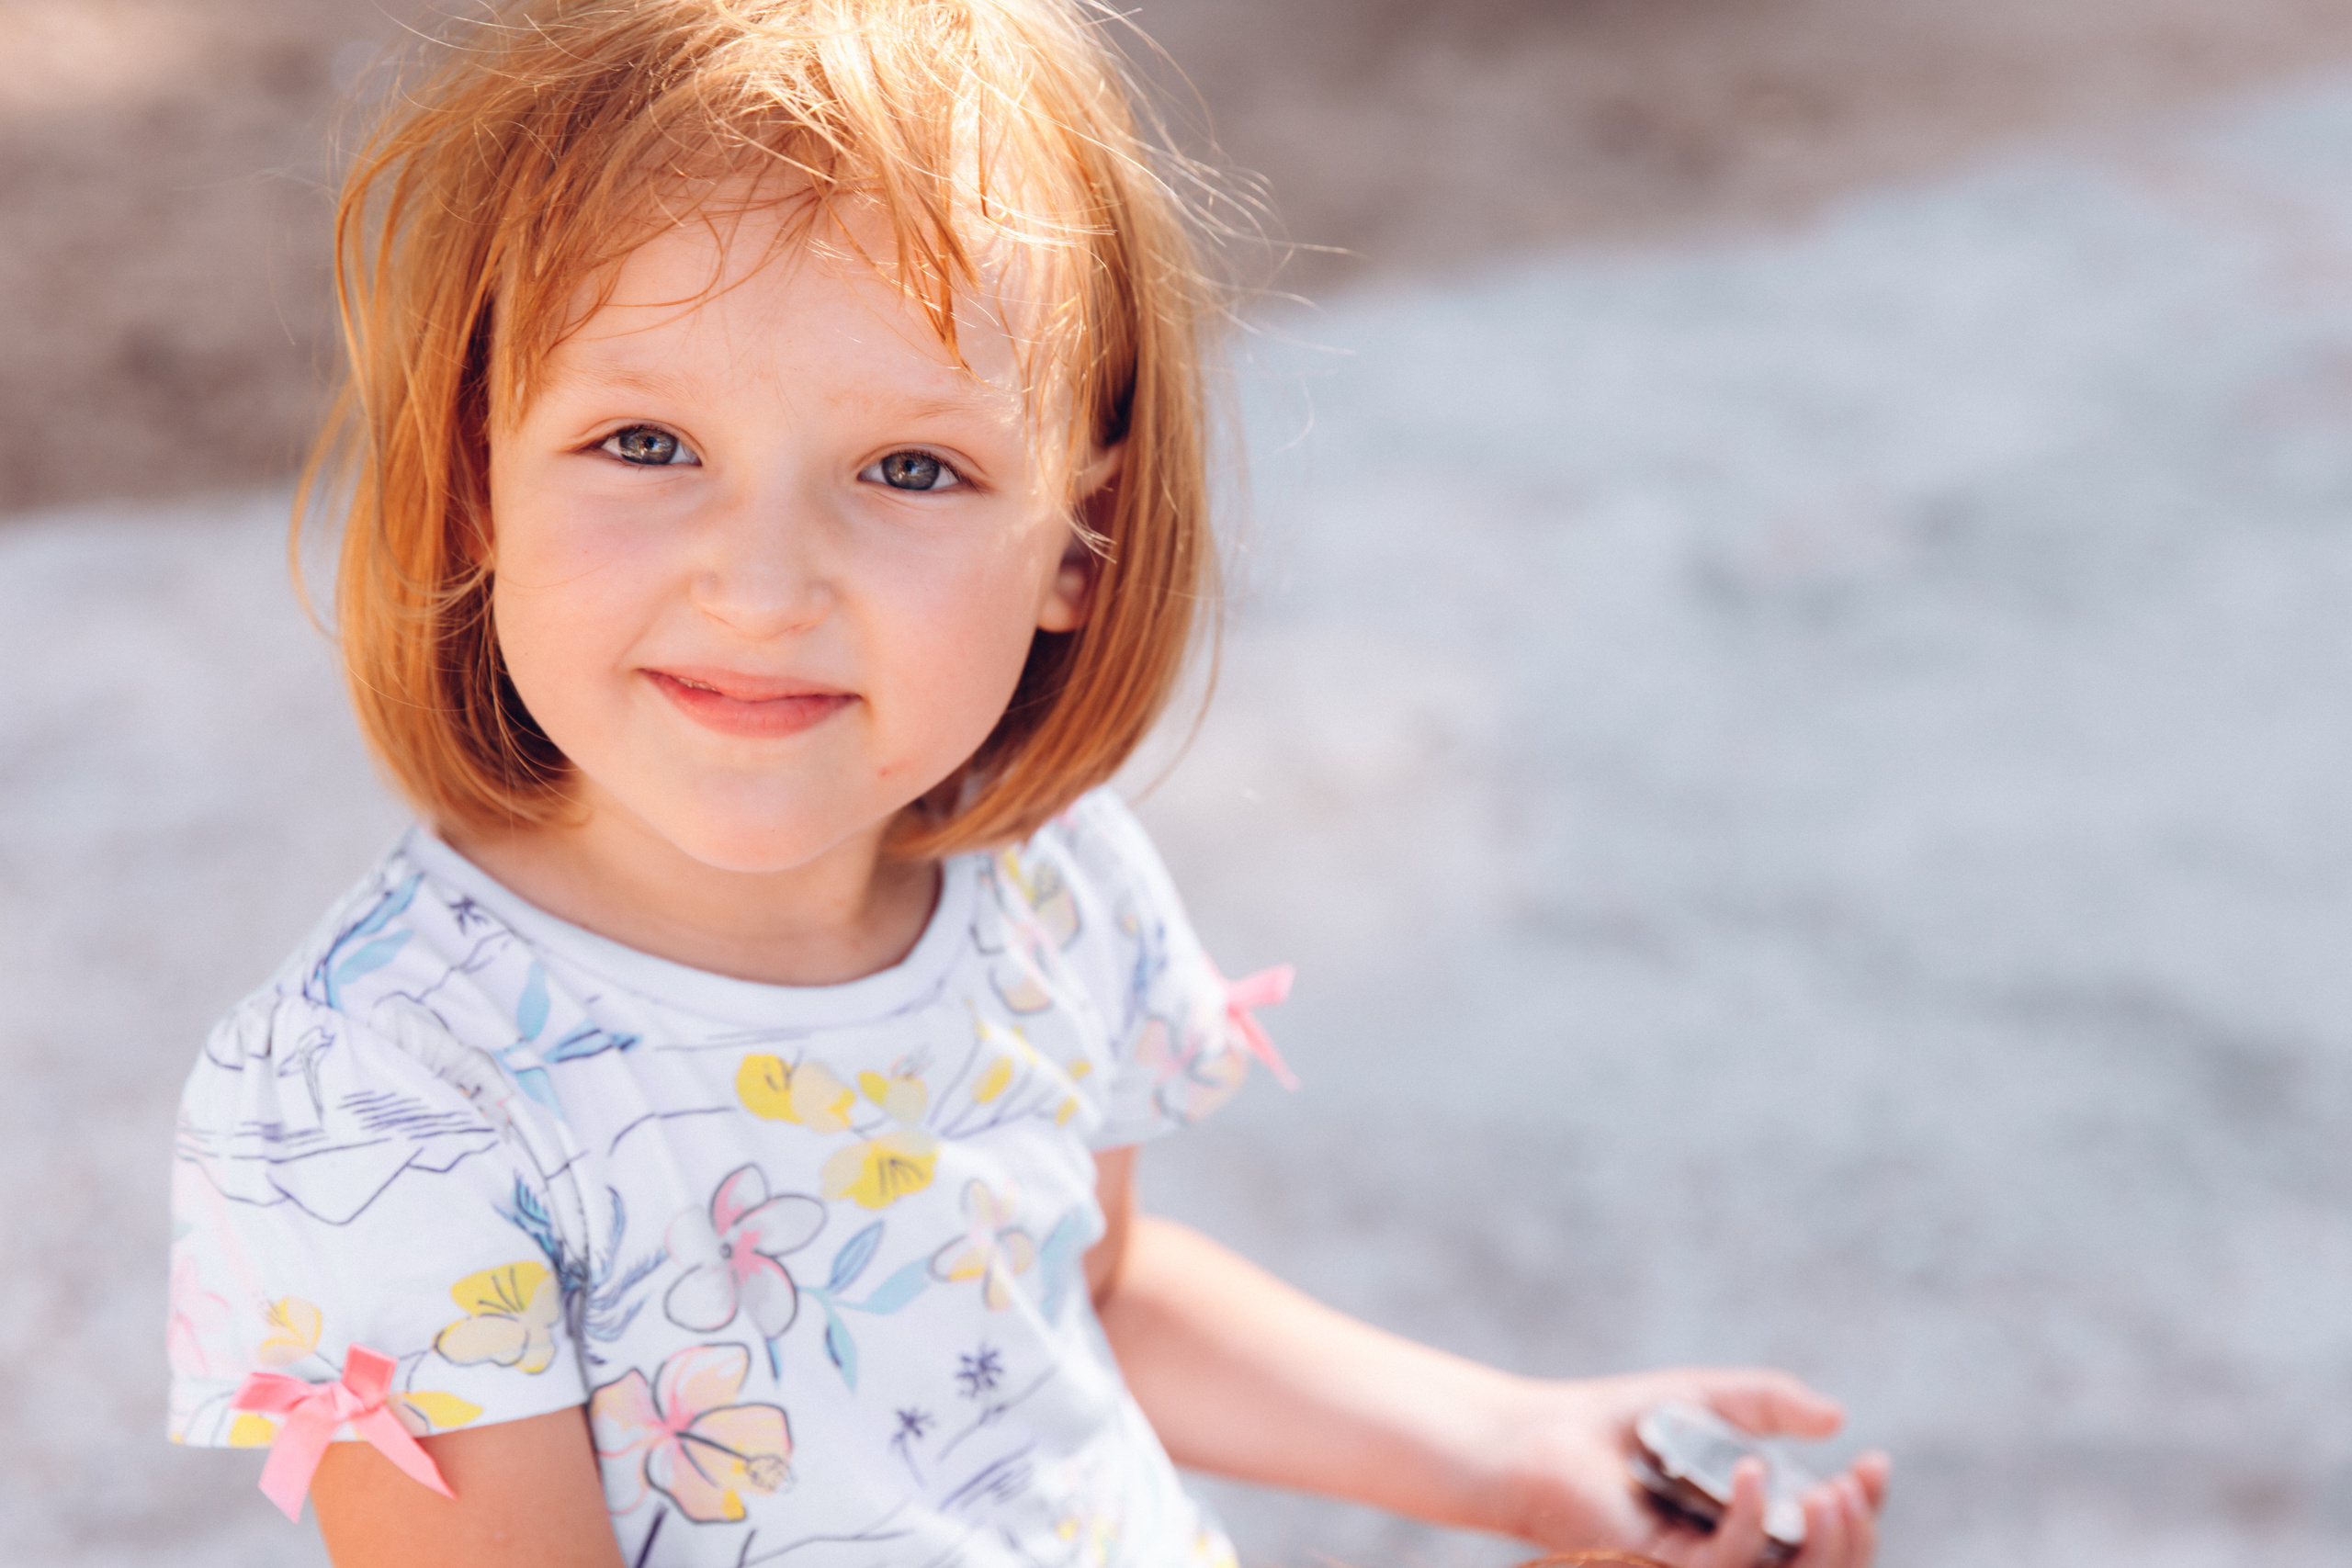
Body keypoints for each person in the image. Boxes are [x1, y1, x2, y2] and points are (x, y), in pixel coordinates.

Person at [164, 3, 1890, 1565]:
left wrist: (1509, 1453)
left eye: (910, 467)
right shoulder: (368, 1104)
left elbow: (1081, 1286)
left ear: (1081, 536)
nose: (762, 585)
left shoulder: (1045, 884)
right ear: (478, 483)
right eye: (646, 444)